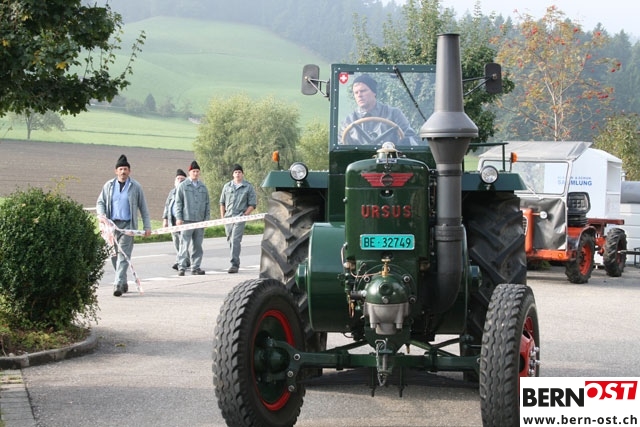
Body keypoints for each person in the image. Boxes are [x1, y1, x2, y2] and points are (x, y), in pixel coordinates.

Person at [96, 154, 152, 297]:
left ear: (129, 171)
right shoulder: (109, 186)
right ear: (116, 171)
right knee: (114, 255)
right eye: (120, 169)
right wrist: (102, 215)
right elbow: (100, 202)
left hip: (128, 226)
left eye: (125, 169)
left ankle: (117, 285)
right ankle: (123, 281)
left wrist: (147, 226)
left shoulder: (135, 187)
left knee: (123, 255)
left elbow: (143, 208)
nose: (123, 172)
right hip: (112, 226)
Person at [340, 73, 418, 146]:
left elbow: (410, 138)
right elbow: (340, 144)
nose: (359, 95)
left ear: (374, 92)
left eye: (363, 91)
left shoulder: (394, 114)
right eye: (356, 93)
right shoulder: (348, 121)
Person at [219, 164, 257, 274]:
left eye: (239, 172)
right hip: (228, 217)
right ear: (233, 174)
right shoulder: (227, 186)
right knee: (230, 240)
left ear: (242, 174)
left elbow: (252, 204)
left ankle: (234, 264)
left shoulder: (248, 187)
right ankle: (234, 260)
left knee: (235, 240)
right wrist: (222, 217)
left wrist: (245, 214)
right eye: (235, 172)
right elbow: (222, 202)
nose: (237, 174)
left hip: (239, 217)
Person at [175, 160, 210, 276]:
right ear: (189, 172)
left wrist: (206, 219)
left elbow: (207, 204)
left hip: (199, 220)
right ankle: (181, 267)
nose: (195, 173)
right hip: (187, 220)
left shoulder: (203, 187)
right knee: (184, 245)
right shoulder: (183, 186)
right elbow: (178, 203)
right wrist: (179, 217)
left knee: (198, 246)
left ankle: (196, 267)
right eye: (193, 171)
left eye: (197, 171)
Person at [162, 168, 189, 271]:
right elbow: (167, 205)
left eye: (182, 179)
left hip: (183, 221)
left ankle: (180, 262)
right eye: (178, 179)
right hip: (172, 220)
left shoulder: (187, 192)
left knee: (183, 242)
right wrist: (165, 219)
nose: (180, 180)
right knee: (177, 242)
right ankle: (186, 260)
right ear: (175, 181)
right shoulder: (172, 192)